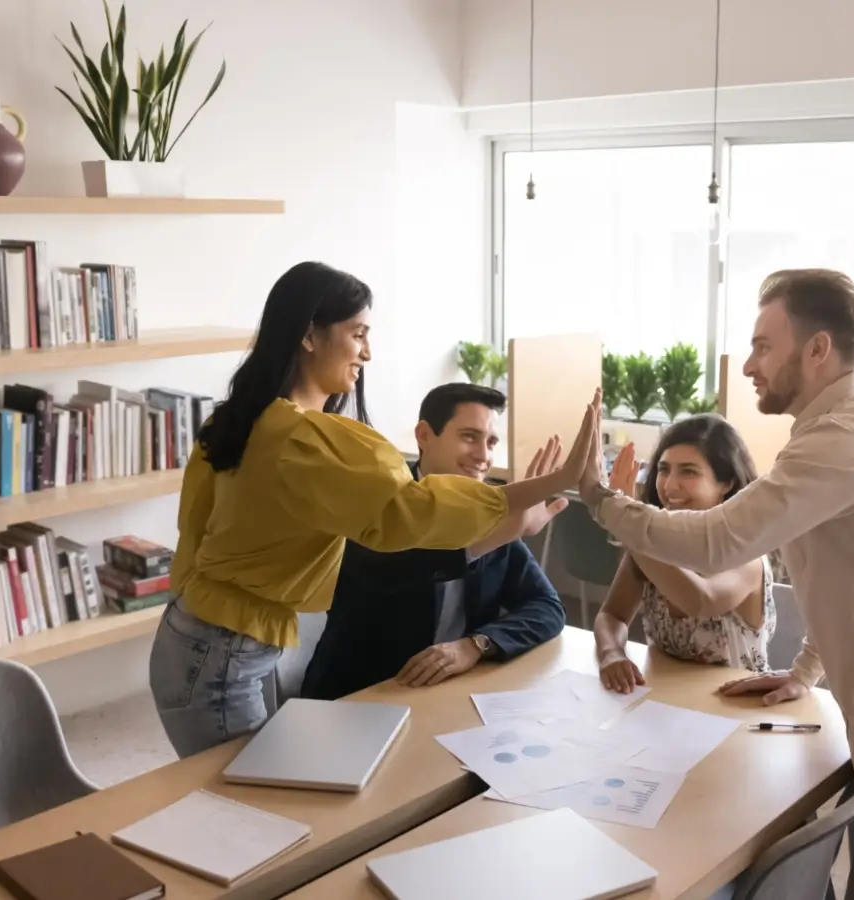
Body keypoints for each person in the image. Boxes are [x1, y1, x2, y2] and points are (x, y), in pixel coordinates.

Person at [575, 269, 854, 900]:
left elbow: (715, 542)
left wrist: (600, 499)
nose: (751, 364)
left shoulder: (846, 439)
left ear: (817, 350)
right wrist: (807, 670)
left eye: (763, 345)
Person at [151, 261, 595, 759]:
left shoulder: (250, 421)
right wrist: (536, 492)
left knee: (250, 800)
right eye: (358, 333)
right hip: (220, 656)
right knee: (246, 808)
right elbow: (407, 511)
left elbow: (193, 528)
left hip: (200, 636)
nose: (368, 351)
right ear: (309, 336)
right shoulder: (304, 439)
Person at [301, 383, 566, 700]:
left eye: (491, 442)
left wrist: (475, 645)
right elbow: (392, 573)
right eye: (469, 437)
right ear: (424, 435)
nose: (483, 456)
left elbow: (547, 607)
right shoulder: (378, 503)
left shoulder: (490, 510)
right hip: (362, 695)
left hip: (448, 692)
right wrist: (494, 534)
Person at [591, 414, 776, 694]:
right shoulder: (648, 541)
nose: (669, 485)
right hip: (667, 701)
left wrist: (630, 526)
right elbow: (611, 615)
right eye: (664, 470)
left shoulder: (746, 552)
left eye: (688, 471)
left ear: (725, 483)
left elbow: (701, 601)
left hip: (738, 711)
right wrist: (612, 653)